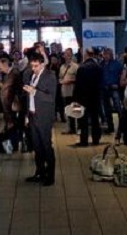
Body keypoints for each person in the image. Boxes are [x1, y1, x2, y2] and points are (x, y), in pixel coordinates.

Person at [23, 52, 57, 186]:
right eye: (32, 66)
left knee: (46, 145)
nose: (33, 69)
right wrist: (27, 114)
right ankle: (40, 172)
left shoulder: (50, 76)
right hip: (32, 114)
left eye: (36, 66)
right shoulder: (32, 76)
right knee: (36, 146)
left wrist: (35, 92)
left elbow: (50, 98)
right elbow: (28, 97)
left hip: (44, 116)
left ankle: (50, 175)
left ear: (42, 64)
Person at [72, 48, 104, 147]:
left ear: (85, 55)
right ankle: (96, 139)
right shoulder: (99, 67)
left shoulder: (82, 68)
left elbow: (78, 85)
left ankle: (84, 140)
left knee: (83, 119)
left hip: (83, 97)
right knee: (95, 118)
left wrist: (75, 98)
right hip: (95, 96)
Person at [58, 48, 79, 135]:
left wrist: (70, 81)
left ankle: (76, 128)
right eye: (65, 54)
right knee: (67, 110)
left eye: (69, 54)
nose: (67, 56)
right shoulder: (62, 67)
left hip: (73, 92)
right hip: (64, 92)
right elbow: (60, 77)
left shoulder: (75, 66)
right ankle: (70, 128)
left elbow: (78, 79)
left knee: (74, 110)